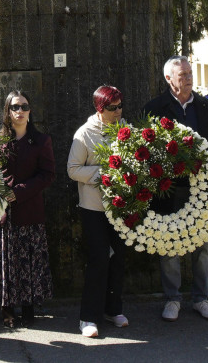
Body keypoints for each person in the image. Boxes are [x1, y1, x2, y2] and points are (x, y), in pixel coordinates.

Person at [142, 56, 208, 322]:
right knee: (169, 244)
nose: (189, 78)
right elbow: (145, 151)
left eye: (190, 73)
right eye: (183, 75)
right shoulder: (155, 108)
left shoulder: (205, 106)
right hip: (168, 190)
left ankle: (201, 298)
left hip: (202, 190)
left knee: (203, 246)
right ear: (169, 79)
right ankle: (172, 299)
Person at [0, 91, 56, 328]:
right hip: (2, 212)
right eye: (15, 107)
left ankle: (28, 306)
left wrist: (19, 191)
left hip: (29, 209)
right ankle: (7, 307)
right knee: (6, 259)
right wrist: (1, 189)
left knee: (28, 260)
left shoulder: (41, 140)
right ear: (7, 111)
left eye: (24, 107)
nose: (20, 111)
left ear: (30, 111)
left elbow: (47, 175)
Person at [67, 85, 129, 338]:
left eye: (120, 106)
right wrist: (102, 174)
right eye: (112, 108)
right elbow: (72, 169)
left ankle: (113, 310)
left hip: (121, 205)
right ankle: (88, 317)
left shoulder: (127, 129)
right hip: (94, 208)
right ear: (100, 109)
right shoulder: (84, 134)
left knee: (119, 258)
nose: (118, 112)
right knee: (98, 260)